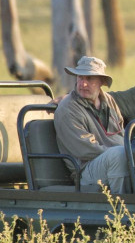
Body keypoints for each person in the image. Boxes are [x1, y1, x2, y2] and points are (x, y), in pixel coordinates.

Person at [53, 56, 129, 194]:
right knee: (119, 155)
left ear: (101, 81)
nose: (83, 84)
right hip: (85, 170)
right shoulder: (68, 108)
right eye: (80, 78)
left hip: (111, 159)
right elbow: (85, 149)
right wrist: (125, 153)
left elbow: (120, 132)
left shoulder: (109, 100)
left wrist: (133, 153)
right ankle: (122, 206)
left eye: (89, 79)